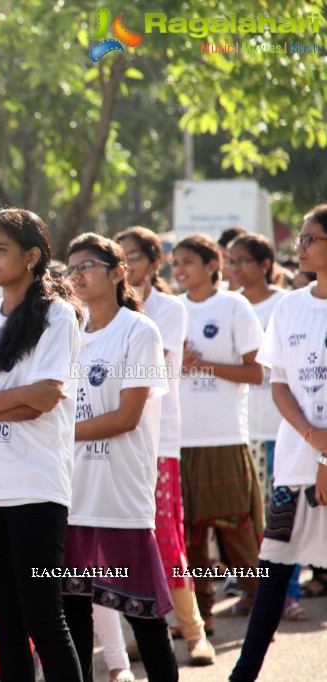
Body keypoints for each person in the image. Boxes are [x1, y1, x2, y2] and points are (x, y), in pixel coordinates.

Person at [0, 208, 83, 681]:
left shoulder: (58, 315)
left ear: (32, 257)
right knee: (3, 623)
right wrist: (14, 399)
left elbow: (44, 399)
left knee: (45, 620)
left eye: (1, 249)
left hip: (36, 490)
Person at [58, 233, 178, 681]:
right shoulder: (66, 332)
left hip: (120, 494)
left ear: (117, 273)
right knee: (72, 615)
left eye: (88, 265)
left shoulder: (141, 330)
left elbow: (127, 415)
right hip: (69, 494)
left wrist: (57, 434)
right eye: (71, 268)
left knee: (144, 613)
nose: (78, 275)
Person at [229, 209, 327, 679]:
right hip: (294, 463)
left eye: (310, 238)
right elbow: (280, 383)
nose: (300, 247)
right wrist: (313, 439)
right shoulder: (290, 307)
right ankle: (243, 673)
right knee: (273, 565)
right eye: (301, 238)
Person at [113, 226, 214, 667]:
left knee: (165, 536)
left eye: (134, 257)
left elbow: (150, 367)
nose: (127, 266)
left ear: (155, 263)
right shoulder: (97, 311)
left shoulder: (167, 309)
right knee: (122, 539)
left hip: (158, 438)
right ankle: (144, 627)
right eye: (119, 258)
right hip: (109, 436)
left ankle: (193, 632)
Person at [172, 233, 264, 633]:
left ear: (212, 266)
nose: (178, 270)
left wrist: (203, 364)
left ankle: (263, 605)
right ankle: (200, 617)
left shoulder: (233, 305)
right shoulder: (171, 311)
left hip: (225, 437)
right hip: (180, 441)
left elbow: (256, 372)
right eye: (175, 263)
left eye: (187, 262)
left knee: (241, 535)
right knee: (189, 538)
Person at [227, 235, 306, 620]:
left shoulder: (285, 305)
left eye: (242, 260)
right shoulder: (228, 305)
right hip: (244, 430)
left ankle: (287, 595)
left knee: (282, 518)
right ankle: (252, 592)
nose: (235, 268)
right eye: (231, 261)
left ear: (264, 263)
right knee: (250, 519)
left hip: (282, 428)